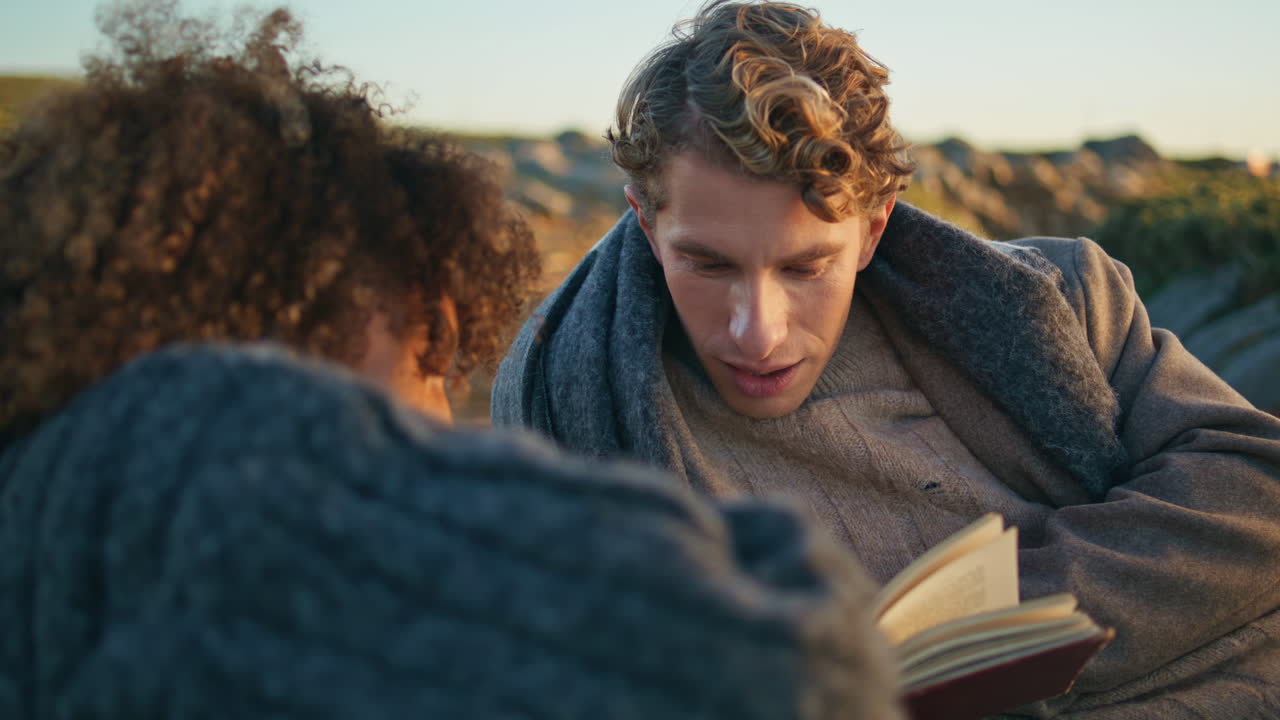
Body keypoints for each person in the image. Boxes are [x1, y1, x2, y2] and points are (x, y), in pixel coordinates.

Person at [0, 4, 904, 718]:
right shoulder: (224, 458)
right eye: (435, 365)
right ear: (386, 305)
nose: (438, 415)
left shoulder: (55, 510)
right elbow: (786, 672)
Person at [491, 1, 1280, 716]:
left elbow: (1256, 488)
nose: (757, 333)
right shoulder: (562, 401)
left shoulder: (1064, 299)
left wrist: (997, 628)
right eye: (708, 264)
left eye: (805, 268)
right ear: (644, 217)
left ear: (871, 231)